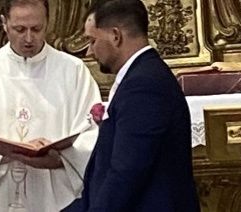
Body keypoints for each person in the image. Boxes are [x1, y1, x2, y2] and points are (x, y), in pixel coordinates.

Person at [0, 0, 102, 211]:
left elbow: (92, 136)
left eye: (36, 29)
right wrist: (7, 152)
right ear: (4, 23)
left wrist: (61, 159)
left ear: (47, 23)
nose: (29, 38)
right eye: (19, 29)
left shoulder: (73, 71)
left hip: (56, 196)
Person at [63, 0, 200, 211]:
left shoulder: (144, 85)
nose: (89, 52)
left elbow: (126, 173)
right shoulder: (141, 77)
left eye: (92, 40)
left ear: (116, 36)